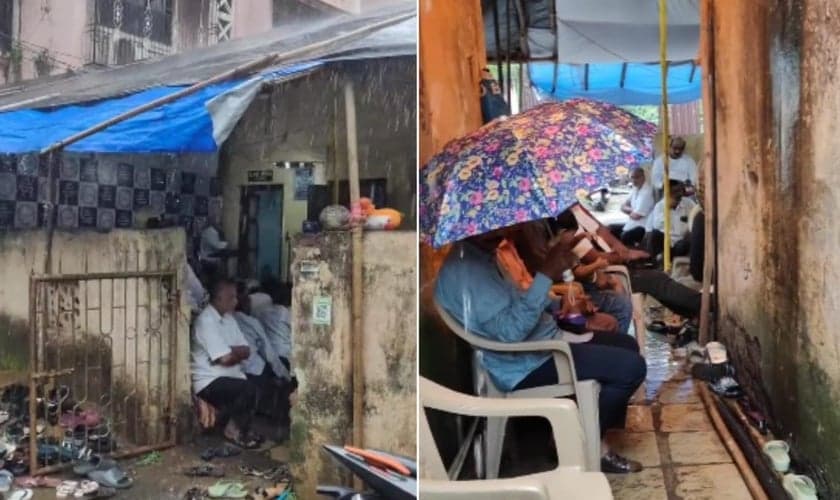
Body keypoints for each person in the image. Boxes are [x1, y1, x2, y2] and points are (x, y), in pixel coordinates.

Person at [435, 225, 646, 473]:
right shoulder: (467, 272)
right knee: (631, 368)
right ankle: (583, 444)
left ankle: (588, 428)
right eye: (492, 229)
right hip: (527, 361)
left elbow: (516, 304)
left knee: (627, 345)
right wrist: (546, 273)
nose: (503, 232)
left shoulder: (481, 257)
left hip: (540, 343)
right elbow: (511, 332)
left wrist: (559, 304)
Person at [553, 205, 702, 319]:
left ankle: (696, 310)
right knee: (655, 280)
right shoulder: (567, 229)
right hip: (606, 273)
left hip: (613, 264)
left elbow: (601, 229)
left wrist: (623, 250)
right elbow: (593, 258)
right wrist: (624, 256)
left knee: (656, 274)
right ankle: (702, 305)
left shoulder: (577, 209)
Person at [519, 220, 632, 336]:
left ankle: (613, 341)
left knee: (612, 318)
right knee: (619, 306)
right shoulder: (532, 229)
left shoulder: (545, 229)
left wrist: (565, 299)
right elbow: (517, 325)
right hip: (544, 305)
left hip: (549, 296)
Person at [190, 279, 259, 448]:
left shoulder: (229, 319)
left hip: (230, 375)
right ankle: (233, 431)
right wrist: (231, 354)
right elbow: (225, 359)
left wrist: (228, 351)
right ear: (219, 298)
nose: (236, 301)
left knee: (257, 383)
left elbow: (247, 350)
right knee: (247, 390)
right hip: (209, 380)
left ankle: (241, 428)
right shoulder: (205, 321)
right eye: (231, 297)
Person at [234, 284, 294, 442]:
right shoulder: (286, 314)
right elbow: (268, 353)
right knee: (288, 381)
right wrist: (285, 375)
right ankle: (281, 421)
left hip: (241, 366)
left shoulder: (261, 313)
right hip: (273, 360)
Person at [646, 180, 696, 260]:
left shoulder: (689, 203)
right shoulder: (660, 206)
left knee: (685, 244)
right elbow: (657, 227)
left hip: (682, 241)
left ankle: (664, 257)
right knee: (654, 235)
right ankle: (658, 260)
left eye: (680, 190)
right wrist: (668, 207)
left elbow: (696, 219)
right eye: (675, 191)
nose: (679, 194)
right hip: (666, 241)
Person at [611, 168, 655, 247]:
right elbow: (622, 207)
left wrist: (630, 211)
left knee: (625, 236)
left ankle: (629, 253)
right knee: (610, 229)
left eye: (637, 177)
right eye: (632, 177)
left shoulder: (647, 192)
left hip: (642, 227)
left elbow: (636, 216)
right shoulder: (635, 189)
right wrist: (633, 210)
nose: (634, 180)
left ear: (643, 177)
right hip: (631, 224)